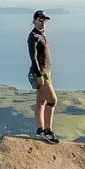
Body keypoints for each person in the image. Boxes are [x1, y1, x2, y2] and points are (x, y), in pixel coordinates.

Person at [28, 10, 59, 143]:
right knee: (52, 100)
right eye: (41, 20)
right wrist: (39, 75)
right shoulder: (34, 36)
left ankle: (40, 131)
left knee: (41, 102)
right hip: (40, 74)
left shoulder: (41, 35)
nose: (43, 23)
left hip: (45, 73)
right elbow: (33, 57)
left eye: (45, 20)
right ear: (34, 20)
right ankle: (47, 131)